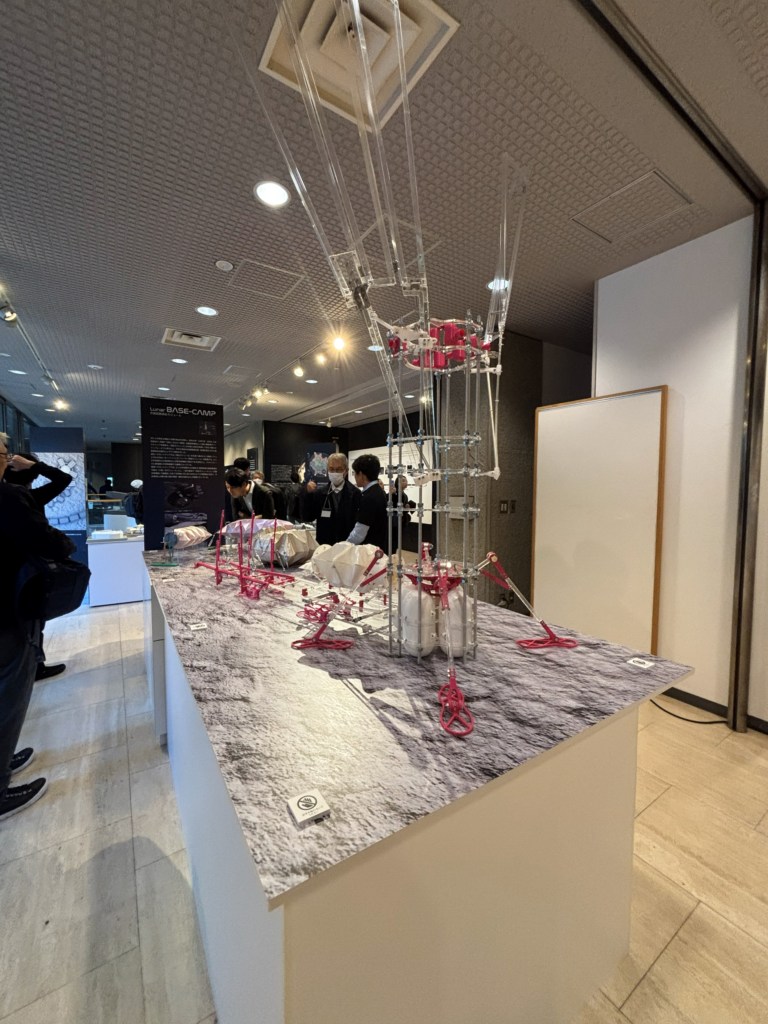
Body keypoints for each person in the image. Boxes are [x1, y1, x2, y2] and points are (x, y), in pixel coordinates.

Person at [0, 432, 76, 820]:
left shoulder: (16, 495)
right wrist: (64, 547)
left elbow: (63, 481)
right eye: (4, 452)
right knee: (9, 693)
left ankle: (4, 760)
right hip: (10, 606)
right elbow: (49, 541)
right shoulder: (10, 498)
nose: (7, 458)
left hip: (15, 602)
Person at [5, 453, 74, 682]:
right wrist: (36, 466)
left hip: (18, 570)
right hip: (29, 570)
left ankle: (34, 666)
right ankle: (34, 667)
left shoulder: (17, 495)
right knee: (31, 619)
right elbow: (63, 479)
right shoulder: (25, 497)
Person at [304, 452, 361, 545]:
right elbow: (308, 517)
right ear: (327, 470)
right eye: (331, 469)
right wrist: (308, 494)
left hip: (347, 545)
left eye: (339, 469)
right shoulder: (320, 493)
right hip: (325, 545)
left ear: (346, 471)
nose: (334, 472)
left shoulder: (355, 494)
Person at [348, 453, 389, 551]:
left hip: (369, 551)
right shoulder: (378, 491)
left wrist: (345, 546)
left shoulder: (369, 497)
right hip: (378, 546)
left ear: (361, 474)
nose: (355, 477)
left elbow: (359, 534)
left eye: (355, 473)